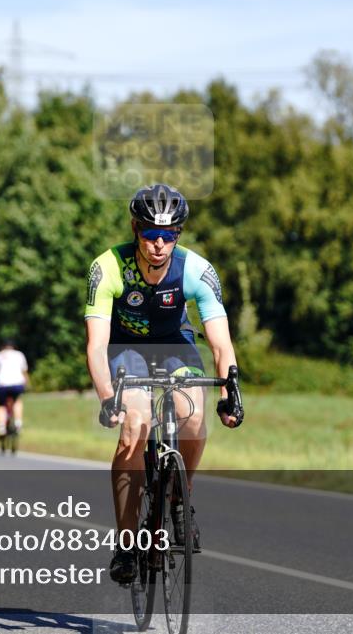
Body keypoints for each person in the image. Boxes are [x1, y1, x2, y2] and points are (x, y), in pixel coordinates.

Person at [84, 183, 244, 584]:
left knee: (193, 416)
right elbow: (96, 345)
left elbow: (220, 343)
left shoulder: (196, 269)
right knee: (135, 426)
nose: (159, 244)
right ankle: (126, 543)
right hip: (126, 349)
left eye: (169, 235)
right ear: (135, 229)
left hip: (175, 345)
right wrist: (107, 397)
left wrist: (230, 393)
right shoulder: (107, 267)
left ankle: (180, 497)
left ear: (178, 234)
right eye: (150, 233)